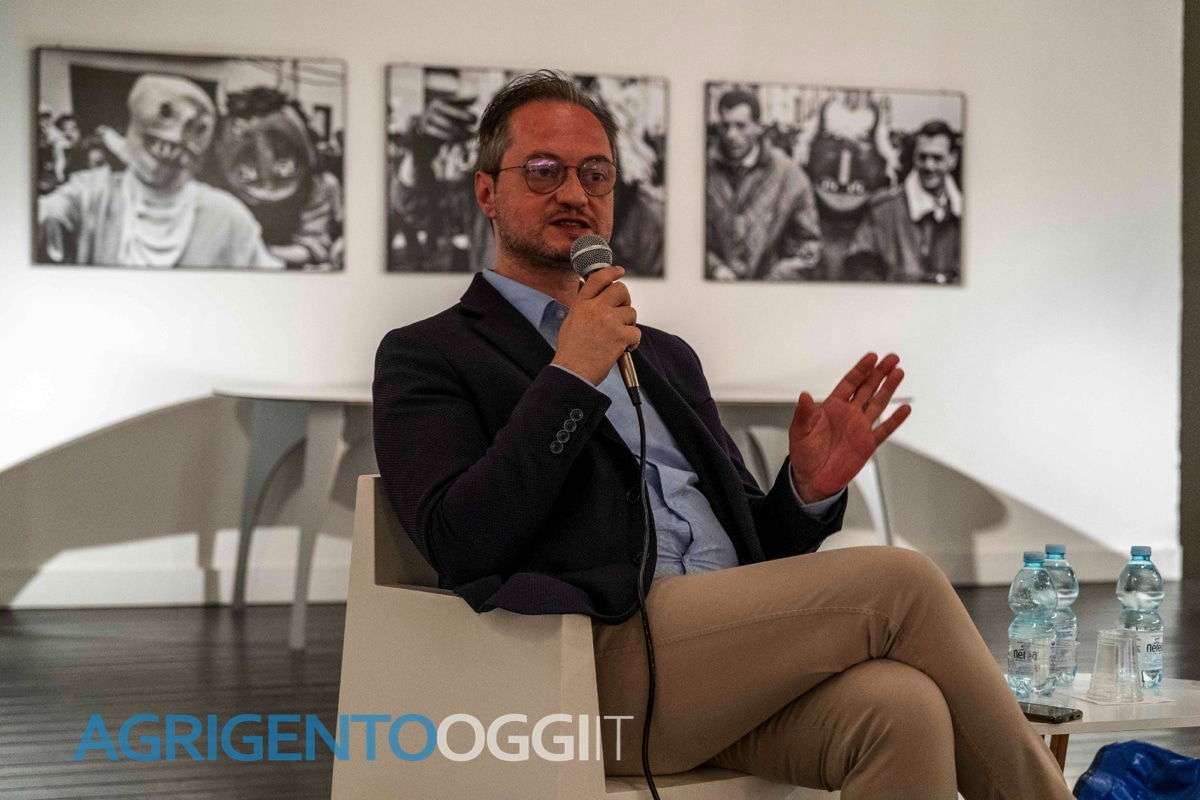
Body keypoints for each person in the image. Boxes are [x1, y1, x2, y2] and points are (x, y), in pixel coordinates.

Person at [373, 70, 1071, 799]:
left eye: (596, 174)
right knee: (901, 581)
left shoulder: (664, 355)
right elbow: (461, 543)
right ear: (487, 191)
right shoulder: (430, 353)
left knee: (905, 709)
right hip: (589, 662)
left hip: (723, 652)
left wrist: (804, 491)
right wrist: (570, 376)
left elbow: (757, 551)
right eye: (544, 171)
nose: (575, 193)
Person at [37, 74, 281, 269]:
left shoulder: (228, 218)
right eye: (166, 113)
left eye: (197, 127)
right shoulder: (89, 196)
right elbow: (40, 219)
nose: (177, 135)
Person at [705, 88, 822, 281]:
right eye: (725, 126)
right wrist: (714, 268)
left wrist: (775, 280)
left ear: (758, 127)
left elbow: (809, 246)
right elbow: (685, 235)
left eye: (741, 126)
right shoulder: (704, 170)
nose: (731, 135)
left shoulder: (788, 176)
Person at [844, 120, 963, 284]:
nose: (929, 166)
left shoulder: (964, 212)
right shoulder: (884, 209)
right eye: (922, 157)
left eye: (937, 158)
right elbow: (860, 262)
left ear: (952, 159)